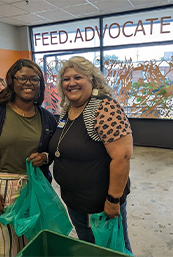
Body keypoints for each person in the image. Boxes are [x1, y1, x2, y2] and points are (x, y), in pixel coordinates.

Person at [0, 59, 57, 256]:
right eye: (22, 78)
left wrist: (44, 157)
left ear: (40, 84)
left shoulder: (46, 118)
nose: (28, 83)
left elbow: (53, 151)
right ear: (11, 81)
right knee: (3, 250)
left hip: (32, 188)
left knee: (29, 246)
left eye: (35, 79)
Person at [48, 56, 133, 253]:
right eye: (66, 79)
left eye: (78, 77)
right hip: (75, 201)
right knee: (88, 247)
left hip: (102, 206)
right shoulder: (68, 110)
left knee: (114, 249)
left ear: (92, 80)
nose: (71, 83)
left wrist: (113, 200)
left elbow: (122, 157)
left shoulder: (103, 107)